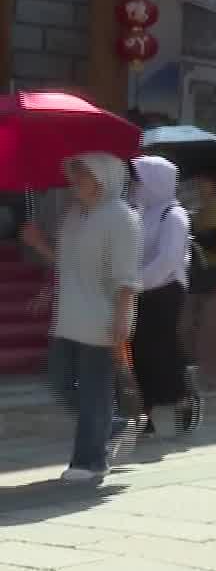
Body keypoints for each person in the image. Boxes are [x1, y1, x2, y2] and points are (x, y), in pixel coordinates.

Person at [24, 154, 140, 482]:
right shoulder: (74, 215)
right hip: (69, 314)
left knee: (93, 389)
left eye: (82, 173)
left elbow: (127, 277)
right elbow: (68, 264)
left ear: (102, 177)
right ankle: (111, 424)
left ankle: (91, 461)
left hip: (102, 316)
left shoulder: (121, 217)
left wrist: (122, 317)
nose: (74, 179)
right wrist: (40, 247)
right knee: (59, 381)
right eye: (73, 172)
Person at [129, 156, 194, 437]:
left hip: (165, 291)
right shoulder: (141, 213)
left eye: (139, 180)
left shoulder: (174, 216)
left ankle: (181, 397)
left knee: (161, 350)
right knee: (139, 352)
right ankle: (145, 413)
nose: (134, 186)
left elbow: (168, 260)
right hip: (139, 290)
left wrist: (137, 282)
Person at [181, 168, 216, 397]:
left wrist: (188, 232)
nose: (199, 185)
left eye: (204, 181)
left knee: (213, 329)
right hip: (202, 272)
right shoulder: (203, 209)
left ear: (215, 184)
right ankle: (204, 376)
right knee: (194, 327)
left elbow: (214, 242)